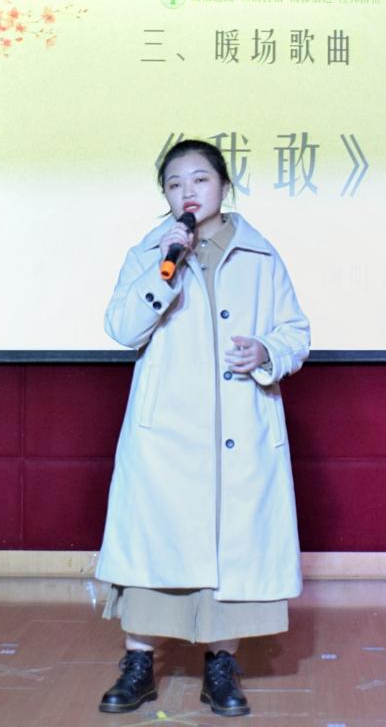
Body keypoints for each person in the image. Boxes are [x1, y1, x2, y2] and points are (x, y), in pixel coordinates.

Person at [95, 139, 310, 717]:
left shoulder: (261, 255)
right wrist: (164, 270)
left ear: (223, 186)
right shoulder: (150, 252)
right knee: (154, 548)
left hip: (238, 427)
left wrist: (266, 350)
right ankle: (139, 663)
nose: (187, 192)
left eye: (199, 180)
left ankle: (221, 665)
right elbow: (122, 328)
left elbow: (295, 331)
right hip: (167, 434)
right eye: (174, 184)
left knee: (230, 547)